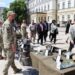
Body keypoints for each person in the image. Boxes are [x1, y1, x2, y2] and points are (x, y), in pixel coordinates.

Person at [2, 11, 21, 75]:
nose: (14, 16)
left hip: (10, 44)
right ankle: (4, 73)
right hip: (10, 45)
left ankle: (15, 69)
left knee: (12, 58)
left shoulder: (10, 23)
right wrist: (13, 46)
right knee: (9, 60)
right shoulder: (7, 24)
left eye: (14, 15)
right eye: (12, 15)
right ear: (9, 16)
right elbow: (8, 37)